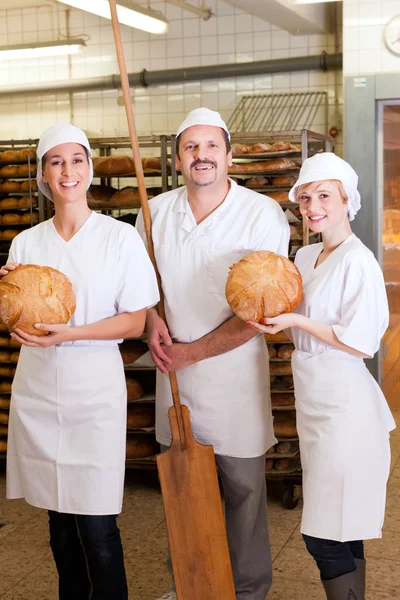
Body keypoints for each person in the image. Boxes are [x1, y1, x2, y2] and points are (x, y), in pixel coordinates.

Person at [135, 108, 290, 600]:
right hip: (173, 376)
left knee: (244, 493)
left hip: (234, 379)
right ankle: (190, 586)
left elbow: (261, 310)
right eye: (191, 147)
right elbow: (142, 287)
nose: (201, 155)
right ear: (179, 158)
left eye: (210, 147)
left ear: (229, 154)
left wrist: (192, 352)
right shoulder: (153, 211)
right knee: (184, 489)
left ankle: (247, 592)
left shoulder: (261, 213)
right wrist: (153, 324)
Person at [4, 124, 160, 600]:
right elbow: (15, 313)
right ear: (44, 175)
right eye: (56, 161)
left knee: (96, 526)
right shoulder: (26, 243)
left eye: (76, 160)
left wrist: (73, 334)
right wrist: (10, 309)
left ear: (90, 169)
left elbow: (135, 322)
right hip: (37, 390)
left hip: (93, 391)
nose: (67, 170)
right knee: (58, 525)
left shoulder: (119, 237)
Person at [249, 153, 396, 600]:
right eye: (306, 197)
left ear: (347, 200)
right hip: (314, 403)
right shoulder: (308, 253)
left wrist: (294, 321)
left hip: (347, 408)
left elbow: (361, 342)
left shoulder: (360, 261)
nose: (313, 206)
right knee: (342, 525)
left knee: (322, 533)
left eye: (324, 196)